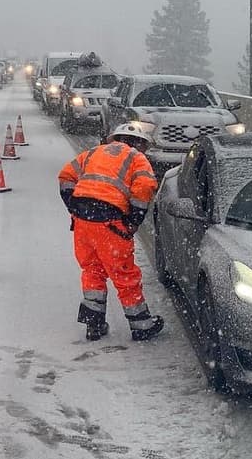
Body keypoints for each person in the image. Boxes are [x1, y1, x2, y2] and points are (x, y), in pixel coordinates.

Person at [57, 122, 164, 341]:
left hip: (83, 222)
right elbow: (144, 187)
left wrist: (75, 207)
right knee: (124, 274)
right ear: (139, 142)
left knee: (92, 270)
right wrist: (134, 219)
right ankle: (141, 325)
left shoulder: (93, 153)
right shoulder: (136, 157)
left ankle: (94, 325)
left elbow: (65, 176)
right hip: (111, 222)